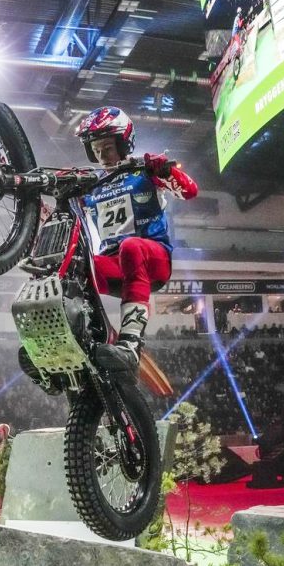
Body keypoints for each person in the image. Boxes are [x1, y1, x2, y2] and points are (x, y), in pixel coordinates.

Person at [77, 107, 199, 372]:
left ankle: (131, 344)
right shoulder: (94, 185)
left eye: (107, 148)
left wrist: (166, 171)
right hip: (116, 266)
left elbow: (190, 191)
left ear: (123, 144)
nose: (101, 156)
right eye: (96, 150)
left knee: (130, 247)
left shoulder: (144, 170)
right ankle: (80, 342)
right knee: (79, 264)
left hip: (153, 258)